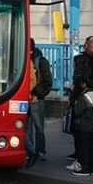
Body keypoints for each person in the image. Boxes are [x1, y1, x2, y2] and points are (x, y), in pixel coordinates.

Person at [72, 77, 93, 176]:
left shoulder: (84, 97)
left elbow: (77, 111)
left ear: (85, 84)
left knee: (85, 148)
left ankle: (85, 168)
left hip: (85, 126)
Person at [26, 38, 52, 167]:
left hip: (36, 98)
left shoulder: (41, 61)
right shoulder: (22, 59)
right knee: (26, 127)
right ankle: (30, 151)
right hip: (23, 98)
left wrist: (37, 94)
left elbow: (47, 81)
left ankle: (40, 150)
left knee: (38, 126)